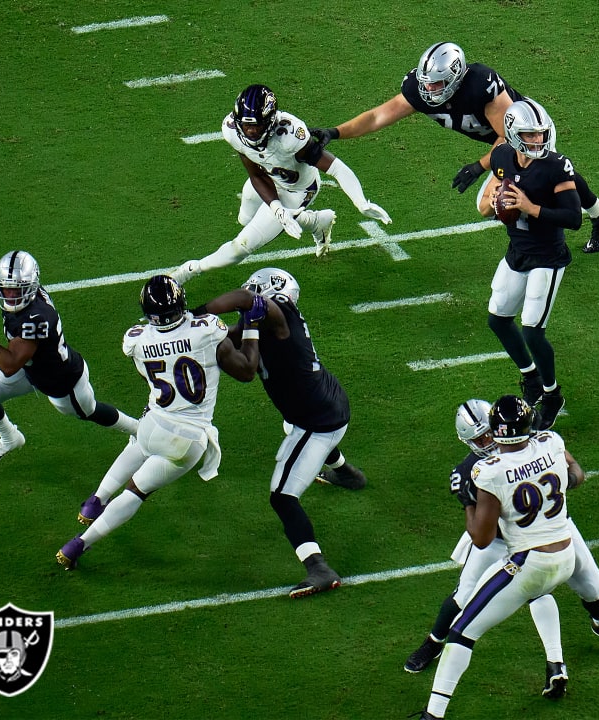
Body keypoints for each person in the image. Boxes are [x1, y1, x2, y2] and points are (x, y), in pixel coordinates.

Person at [404, 399, 599, 689]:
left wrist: (568, 479)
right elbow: (482, 535)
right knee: (464, 595)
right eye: (479, 438)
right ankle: (434, 642)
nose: (487, 441)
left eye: (488, 433)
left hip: (549, 530)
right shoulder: (474, 470)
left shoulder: (537, 443)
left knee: (593, 586)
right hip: (501, 539)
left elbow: (573, 468)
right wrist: (468, 500)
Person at [312, 42, 599, 253]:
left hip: (528, 135)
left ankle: (542, 248)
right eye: (426, 83)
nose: (428, 90)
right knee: (555, 174)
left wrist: (479, 166)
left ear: (455, 78)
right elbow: (378, 116)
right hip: (506, 141)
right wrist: (335, 132)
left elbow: (507, 139)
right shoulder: (420, 91)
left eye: (436, 84)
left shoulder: (480, 86)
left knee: (492, 203)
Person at [56, 275, 261, 569]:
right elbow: (246, 370)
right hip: (188, 437)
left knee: (138, 446)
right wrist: (252, 327)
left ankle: (95, 500)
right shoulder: (207, 331)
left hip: (153, 422)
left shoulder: (136, 338)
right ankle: (78, 544)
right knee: (137, 491)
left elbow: (154, 369)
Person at [197, 268, 366, 598]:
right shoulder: (262, 321)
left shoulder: (278, 311)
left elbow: (247, 301)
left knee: (282, 497)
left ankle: (317, 566)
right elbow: (229, 336)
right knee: (293, 427)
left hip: (317, 421)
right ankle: (347, 474)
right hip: (328, 402)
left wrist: (198, 313)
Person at [418, 396, 587, 719]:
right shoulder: (551, 442)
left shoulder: (489, 470)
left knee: (461, 634)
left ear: (494, 432)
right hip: (565, 553)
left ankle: (433, 715)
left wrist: (468, 501)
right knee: (540, 593)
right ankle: (556, 665)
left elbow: (481, 538)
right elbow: (577, 475)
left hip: (529, 561)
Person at [171, 84, 390, 285]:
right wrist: (277, 209)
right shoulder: (232, 131)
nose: (251, 132)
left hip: (298, 189)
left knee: (242, 246)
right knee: (244, 219)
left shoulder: (291, 136)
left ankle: (188, 271)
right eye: (246, 126)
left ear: (270, 121)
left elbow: (336, 168)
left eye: (256, 126)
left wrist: (361, 202)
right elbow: (256, 174)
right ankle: (314, 222)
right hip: (268, 179)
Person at [0, 250, 139, 467]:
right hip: (31, 369)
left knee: (90, 411)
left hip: (61, 380)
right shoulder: (27, 302)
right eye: (6, 289)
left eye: (17, 290)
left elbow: (8, 365)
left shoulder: (37, 317)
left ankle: (139, 430)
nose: (10, 296)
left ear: (31, 286)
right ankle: (10, 439)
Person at [474, 99, 579, 431]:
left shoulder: (556, 166)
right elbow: (487, 203)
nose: (537, 141)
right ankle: (530, 378)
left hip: (548, 256)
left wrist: (532, 208)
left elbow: (574, 218)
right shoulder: (503, 155)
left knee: (533, 331)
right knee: (498, 320)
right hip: (518, 250)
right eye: (530, 136)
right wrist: (495, 203)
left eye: (540, 134)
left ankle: (551, 395)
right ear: (512, 135)